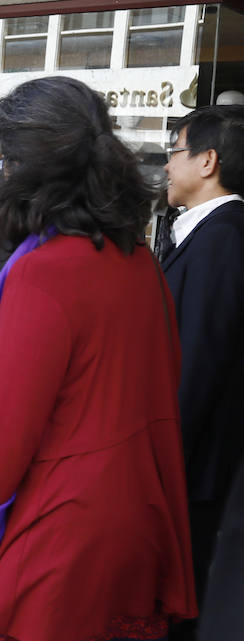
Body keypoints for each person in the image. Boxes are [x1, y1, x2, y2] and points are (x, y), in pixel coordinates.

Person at [0, 75, 196, 641]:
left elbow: (7, 433)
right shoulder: (138, 260)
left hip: (61, 526)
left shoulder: (45, 272)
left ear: (25, 169)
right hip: (139, 515)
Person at [161, 104, 244, 641]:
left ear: (207, 160)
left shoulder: (223, 238)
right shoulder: (201, 231)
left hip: (195, 465)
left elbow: (199, 361)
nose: (167, 166)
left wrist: (164, 459)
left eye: (174, 153)